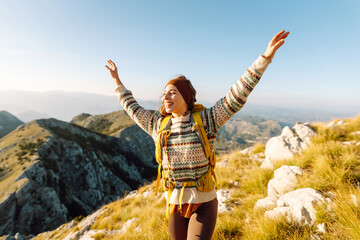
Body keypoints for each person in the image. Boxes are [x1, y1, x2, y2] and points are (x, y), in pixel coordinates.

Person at [106, 30, 289, 240]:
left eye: (172, 92)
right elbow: (132, 108)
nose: (166, 96)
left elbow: (237, 95)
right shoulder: (159, 125)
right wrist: (117, 82)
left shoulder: (206, 120)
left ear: (186, 97)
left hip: (204, 203)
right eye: (165, 92)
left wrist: (264, 59)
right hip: (174, 204)